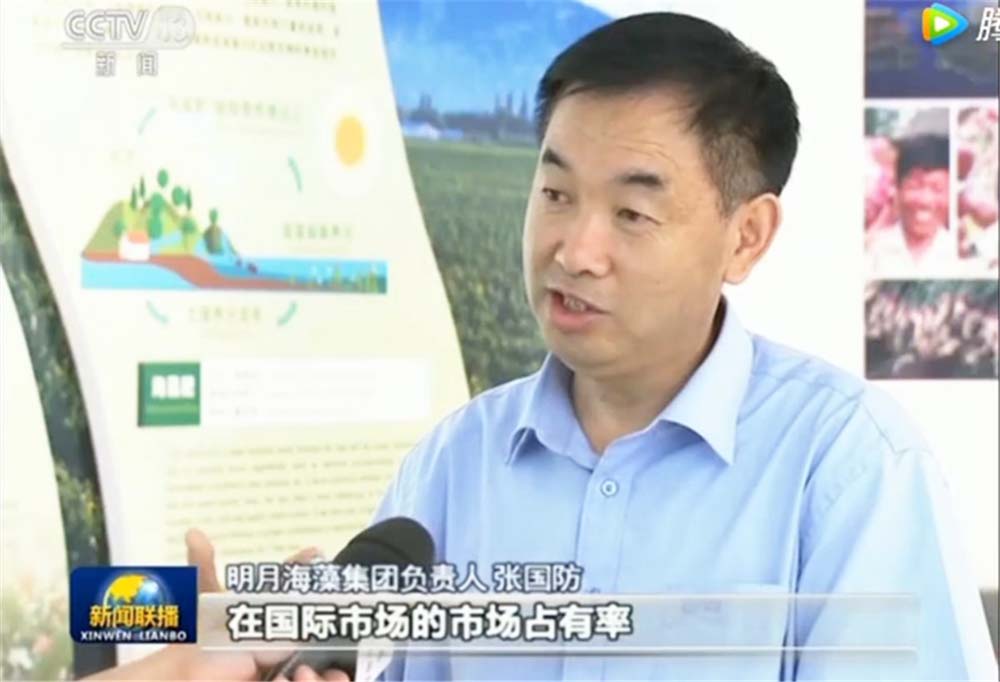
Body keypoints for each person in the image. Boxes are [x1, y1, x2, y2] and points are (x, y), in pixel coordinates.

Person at [194, 12, 996, 681]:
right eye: (555, 193)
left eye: (632, 214)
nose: (574, 250)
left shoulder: (850, 468)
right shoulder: (451, 464)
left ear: (746, 236)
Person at [866, 134, 957, 277]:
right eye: (914, 186)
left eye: (938, 189)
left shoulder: (959, 254)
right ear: (897, 189)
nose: (925, 200)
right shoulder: (873, 250)